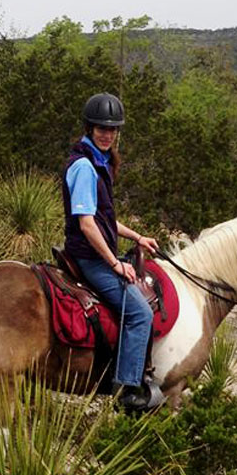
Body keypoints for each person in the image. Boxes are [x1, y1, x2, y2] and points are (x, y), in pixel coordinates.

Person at [62, 92, 163, 413]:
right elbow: (88, 225)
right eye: (101, 128)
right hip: (90, 257)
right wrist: (115, 264)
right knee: (140, 313)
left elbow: (105, 219)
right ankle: (127, 389)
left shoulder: (98, 162)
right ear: (89, 128)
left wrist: (137, 237)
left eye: (112, 129)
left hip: (95, 252)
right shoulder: (84, 167)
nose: (107, 134)